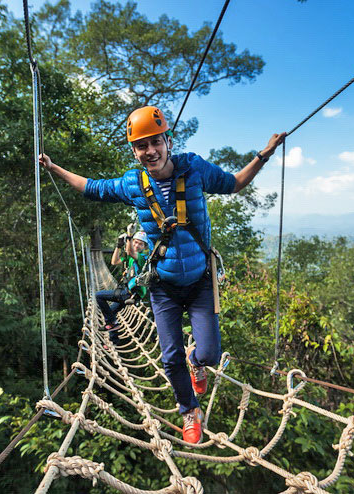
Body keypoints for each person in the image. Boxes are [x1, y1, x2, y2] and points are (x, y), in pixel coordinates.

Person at [39, 105, 286, 443]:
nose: (150, 151)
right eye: (142, 145)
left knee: (210, 353)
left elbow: (235, 184)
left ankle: (196, 360)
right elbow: (92, 187)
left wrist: (264, 155)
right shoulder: (132, 184)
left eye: (155, 142)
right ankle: (189, 410)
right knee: (169, 357)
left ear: (168, 140)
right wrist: (55, 169)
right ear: (134, 150)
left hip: (200, 280)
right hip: (163, 285)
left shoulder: (194, 169)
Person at [94, 227, 149, 346]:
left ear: (144, 247)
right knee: (111, 312)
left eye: (140, 244)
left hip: (130, 293)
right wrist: (118, 246)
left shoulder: (143, 259)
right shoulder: (129, 258)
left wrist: (129, 236)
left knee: (98, 296)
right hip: (127, 292)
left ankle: (112, 323)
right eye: (135, 242)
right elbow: (114, 261)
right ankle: (113, 341)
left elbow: (130, 252)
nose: (137, 245)